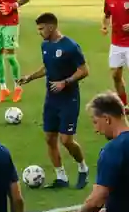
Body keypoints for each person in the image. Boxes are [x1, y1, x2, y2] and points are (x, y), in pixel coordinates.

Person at [16, 13, 90, 189]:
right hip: (51, 99)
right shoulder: (45, 45)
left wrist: (65, 82)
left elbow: (84, 70)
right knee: (50, 138)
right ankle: (61, 178)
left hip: (69, 99)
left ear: (51, 27)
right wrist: (30, 77)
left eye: (41, 29)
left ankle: (83, 168)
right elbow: (47, 67)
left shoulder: (70, 46)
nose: (39, 32)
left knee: (66, 140)